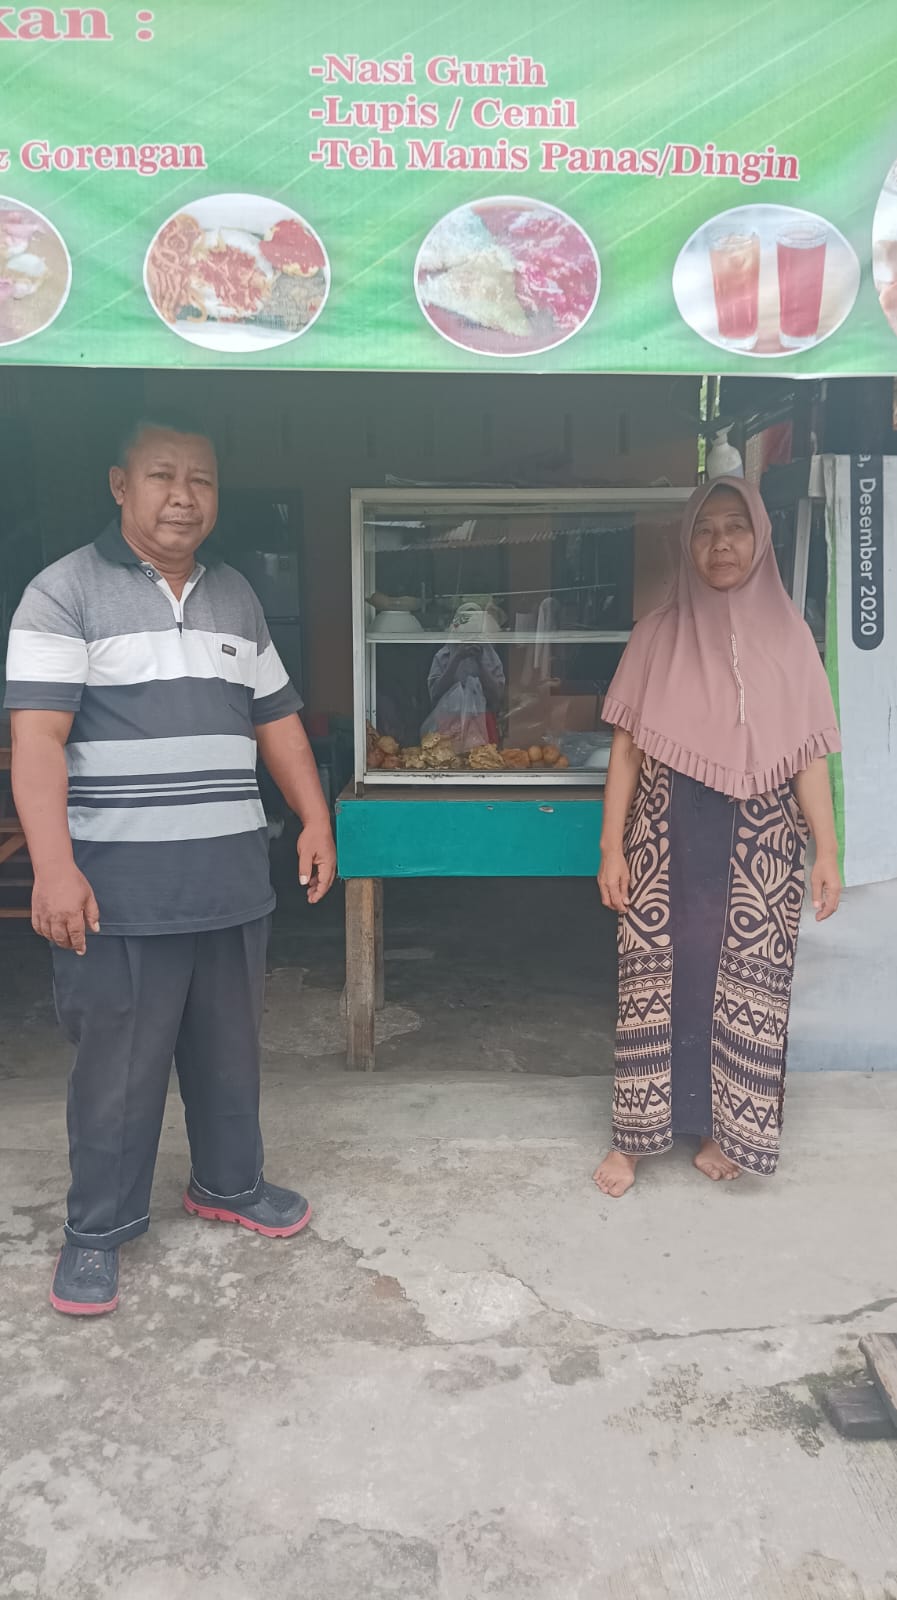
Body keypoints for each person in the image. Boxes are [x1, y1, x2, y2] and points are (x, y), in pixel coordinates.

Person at [4, 412, 336, 1313]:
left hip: (231, 882)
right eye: (161, 476)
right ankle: (97, 1232)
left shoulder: (235, 596)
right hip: (118, 893)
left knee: (231, 1054)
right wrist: (54, 867)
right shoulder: (60, 593)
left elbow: (277, 722)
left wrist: (314, 820)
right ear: (121, 485)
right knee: (117, 1067)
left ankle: (228, 1186)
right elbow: (36, 742)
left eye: (201, 479)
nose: (183, 496)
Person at [593, 478, 841, 1198]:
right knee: (651, 980)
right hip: (664, 835)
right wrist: (611, 847)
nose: (721, 543)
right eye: (705, 530)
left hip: (760, 844)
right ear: (685, 543)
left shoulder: (791, 638)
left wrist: (825, 850)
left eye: (735, 528)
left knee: (740, 986)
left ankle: (717, 1130)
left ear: (759, 538)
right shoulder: (654, 635)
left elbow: (807, 754)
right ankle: (633, 1141)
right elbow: (627, 753)